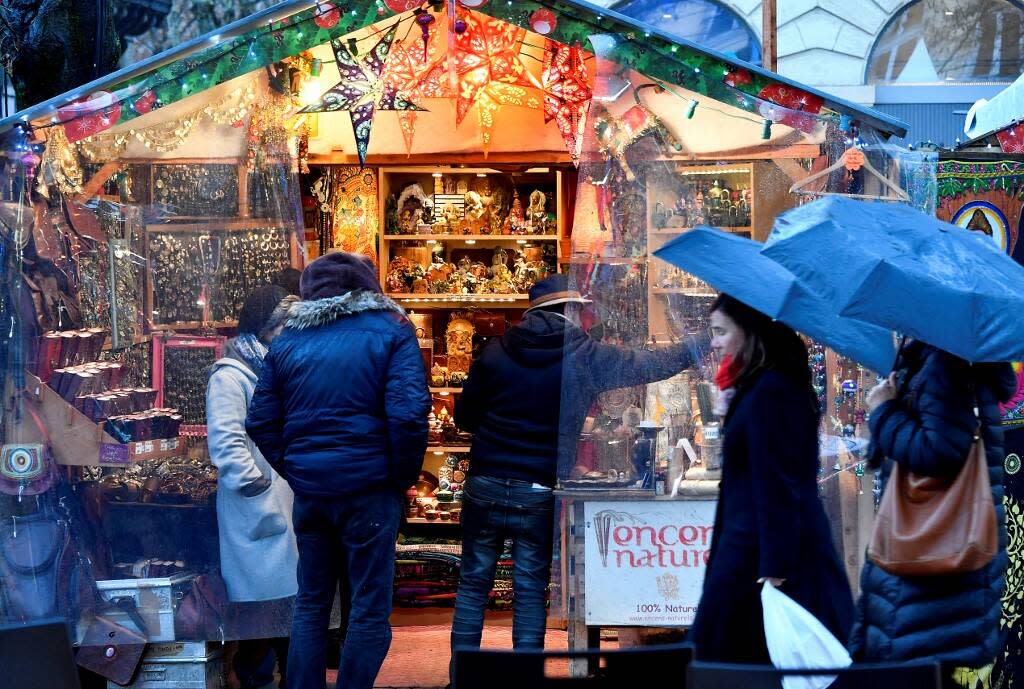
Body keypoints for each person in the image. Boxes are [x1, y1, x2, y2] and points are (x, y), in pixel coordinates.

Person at [449, 274, 706, 681]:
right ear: (570, 311)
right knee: (530, 587)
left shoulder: (496, 352)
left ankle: (462, 678)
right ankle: (525, 679)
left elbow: (464, 417)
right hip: (538, 486)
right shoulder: (586, 355)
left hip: (486, 480)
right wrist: (702, 342)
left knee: (473, 584)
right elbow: (651, 364)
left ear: (532, 313)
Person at [246, 251, 430, 689]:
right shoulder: (391, 330)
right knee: (367, 608)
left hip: (314, 494)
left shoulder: (289, 339)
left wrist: (298, 471)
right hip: (370, 490)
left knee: (311, 604)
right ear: (367, 288)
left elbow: (260, 421)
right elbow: (408, 415)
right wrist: (399, 478)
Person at [689, 294, 854, 663]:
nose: (713, 342)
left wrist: (775, 566)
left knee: (742, 661)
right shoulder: (763, 385)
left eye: (720, 331)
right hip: (755, 547)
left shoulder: (771, 390)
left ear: (747, 331)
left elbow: (777, 481)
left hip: (759, 554)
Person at [849, 337, 1015, 672]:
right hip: (935, 561)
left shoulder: (944, 364)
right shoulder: (942, 359)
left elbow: (937, 451)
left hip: (928, 566)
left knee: (918, 671)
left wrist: (884, 410)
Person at [207, 285, 298, 689]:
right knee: (259, 609)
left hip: (277, 501)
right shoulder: (231, 376)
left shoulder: (270, 370)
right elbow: (225, 443)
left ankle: (281, 677)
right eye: (284, 328)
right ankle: (255, 678)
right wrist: (256, 488)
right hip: (256, 506)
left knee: (283, 604)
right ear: (266, 328)